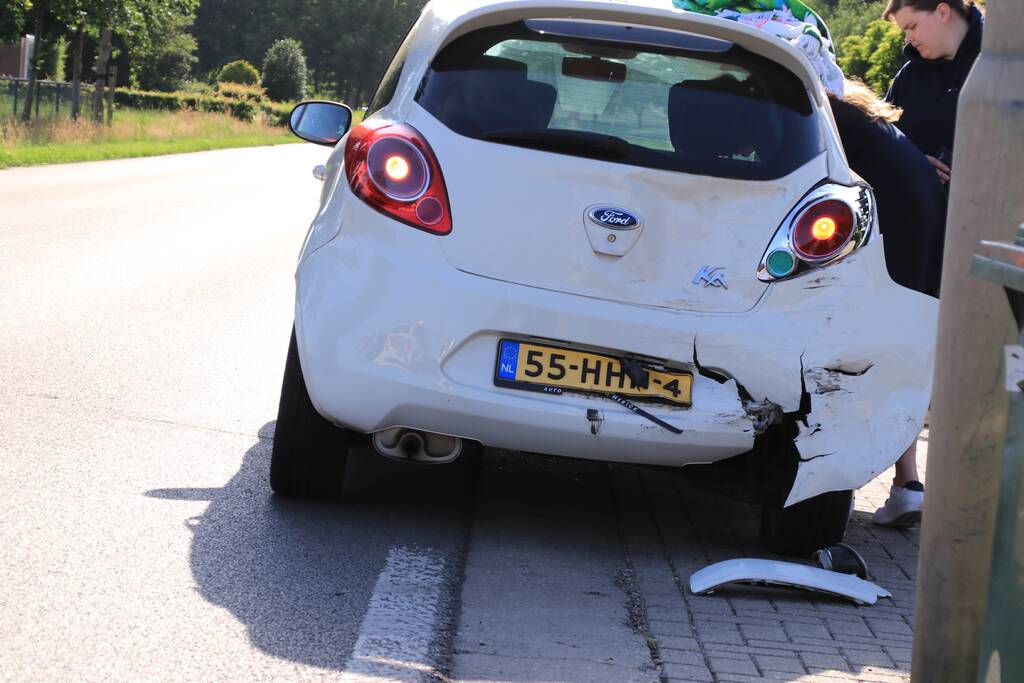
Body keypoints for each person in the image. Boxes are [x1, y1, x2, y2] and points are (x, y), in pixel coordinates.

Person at [868, 0, 984, 526]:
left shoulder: (1006, 63)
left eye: (912, 26)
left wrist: (970, 177)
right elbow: (882, 144)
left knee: (973, 370)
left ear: (943, 11)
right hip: (917, 242)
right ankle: (908, 482)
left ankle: (969, 494)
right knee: (906, 355)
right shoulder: (911, 76)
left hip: (987, 246)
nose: (908, 39)